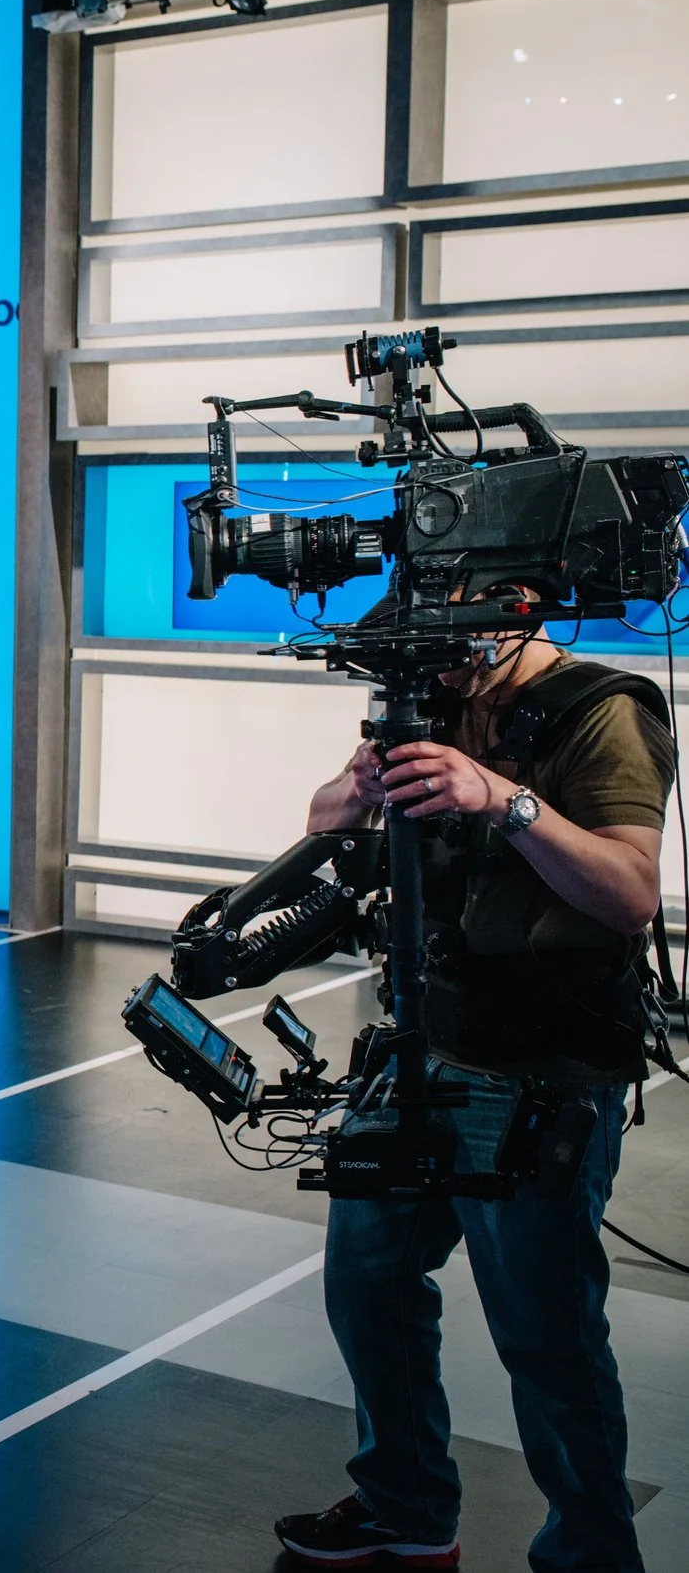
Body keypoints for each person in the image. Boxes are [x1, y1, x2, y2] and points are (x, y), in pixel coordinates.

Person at [276, 624, 670, 1572]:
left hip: (542, 1069)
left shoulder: (601, 709)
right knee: (367, 1287)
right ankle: (404, 1505)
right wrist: (360, 789)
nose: (433, 664)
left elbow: (631, 893)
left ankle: (591, 1555)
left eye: (448, 640)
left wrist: (504, 799)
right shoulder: (425, 689)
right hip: (424, 1043)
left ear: (513, 613)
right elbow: (325, 816)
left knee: (547, 1338)